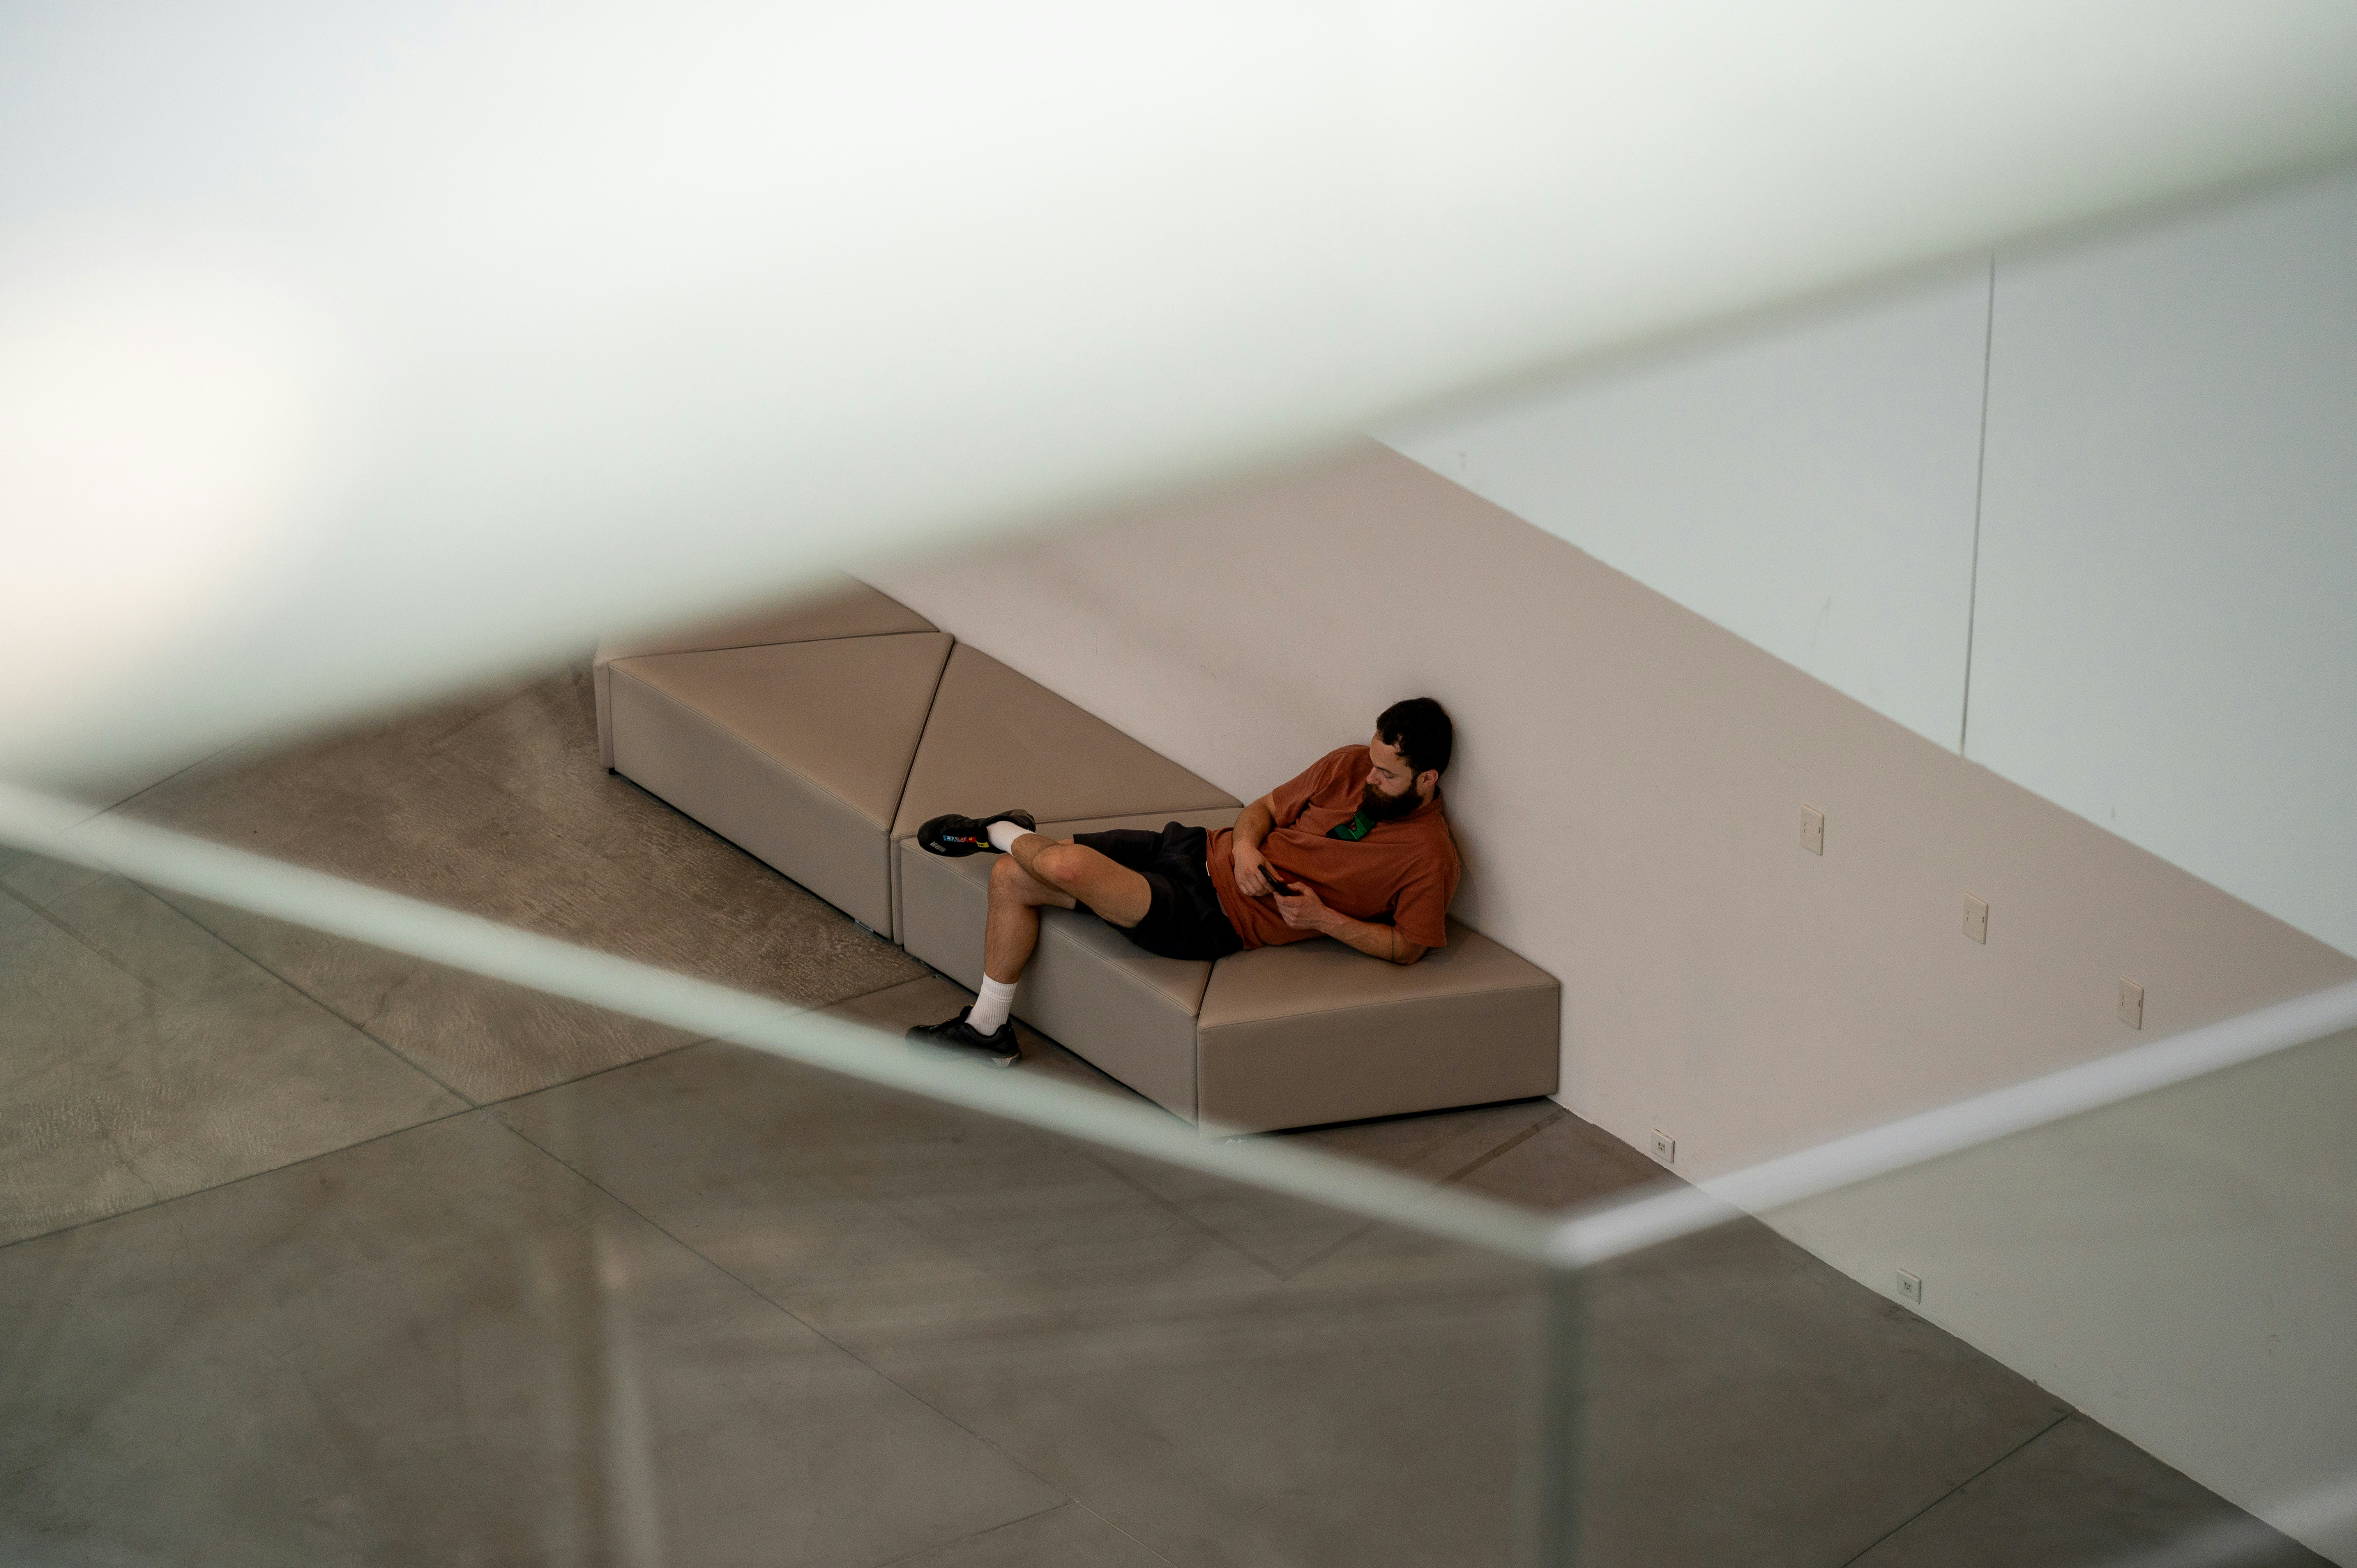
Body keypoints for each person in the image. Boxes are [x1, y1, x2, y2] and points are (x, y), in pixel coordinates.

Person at [905, 697, 1460, 1066]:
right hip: (1191, 848)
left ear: (1427, 780)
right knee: (1010, 876)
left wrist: (1325, 921)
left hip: (1211, 917)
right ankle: (987, 1031)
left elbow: (1409, 947)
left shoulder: (1429, 859)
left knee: (1058, 866)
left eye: (1386, 774)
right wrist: (1245, 846)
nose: (1370, 776)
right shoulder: (1347, 765)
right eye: (1373, 760)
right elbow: (1263, 809)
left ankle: (1002, 829)